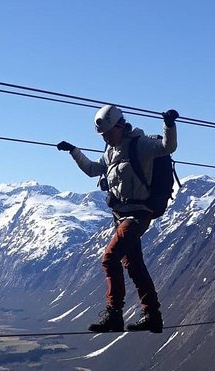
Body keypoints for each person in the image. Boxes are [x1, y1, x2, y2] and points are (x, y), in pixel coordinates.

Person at [56, 105, 179, 333]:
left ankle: (115, 314)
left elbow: (167, 146)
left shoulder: (141, 145)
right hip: (121, 216)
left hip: (138, 214)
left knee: (110, 258)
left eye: (109, 133)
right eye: (103, 135)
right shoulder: (110, 153)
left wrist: (169, 125)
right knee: (133, 264)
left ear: (121, 126)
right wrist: (74, 151)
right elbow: (93, 169)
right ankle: (153, 315)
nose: (107, 138)